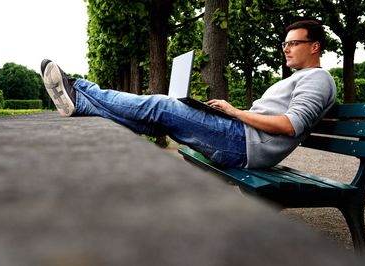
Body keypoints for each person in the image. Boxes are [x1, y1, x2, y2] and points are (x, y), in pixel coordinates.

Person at [40, 20, 336, 169]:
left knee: (160, 106)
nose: (286, 48)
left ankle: (79, 90)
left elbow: (290, 125)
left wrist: (233, 112)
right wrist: (228, 112)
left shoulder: (318, 78)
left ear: (315, 46)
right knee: (157, 120)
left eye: (293, 43)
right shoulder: (302, 78)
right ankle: (83, 106)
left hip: (243, 144)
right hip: (241, 137)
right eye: (284, 43)